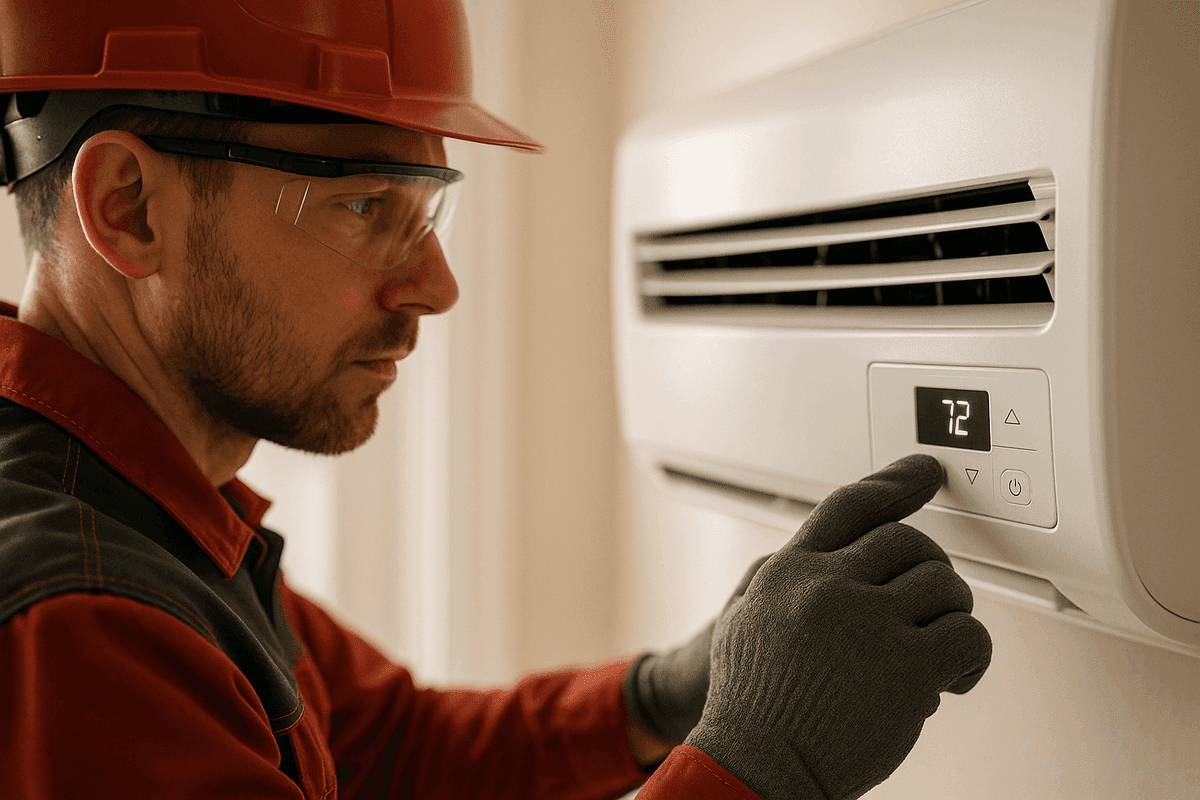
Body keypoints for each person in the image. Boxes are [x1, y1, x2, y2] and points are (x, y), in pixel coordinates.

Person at [0, 2, 992, 798]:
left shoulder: (143, 509)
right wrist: (758, 763)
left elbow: (396, 749)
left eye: (428, 209)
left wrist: (667, 695)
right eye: (361, 204)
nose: (436, 284)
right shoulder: (82, 628)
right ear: (129, 208)